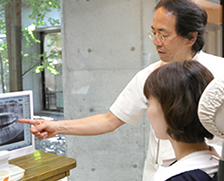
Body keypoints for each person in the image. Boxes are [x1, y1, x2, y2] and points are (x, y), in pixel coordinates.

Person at [18, 0, 224, 180]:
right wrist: (57, 126)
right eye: (153, 32)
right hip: (163, 171)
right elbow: (110, 119)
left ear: (191, 37)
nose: (155, 41)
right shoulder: (149, 76)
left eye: (163, 35)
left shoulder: (220, 74)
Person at [143, 60, 219, 181]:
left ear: (171, 109)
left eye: (149, 104)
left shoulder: (180, 177)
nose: (147, 113)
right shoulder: (216, 162)